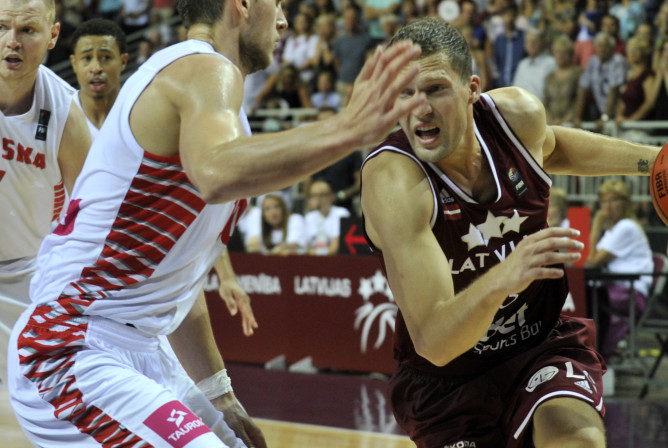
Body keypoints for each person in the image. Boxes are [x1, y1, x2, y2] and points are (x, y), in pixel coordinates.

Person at [8, 0, 425, 446]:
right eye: (278, 3)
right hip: (70, 342)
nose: (283, 19)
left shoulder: (223, 109)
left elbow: (179, 279)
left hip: (139, 346)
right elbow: (215, 173)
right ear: (241, 5)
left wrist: (219, 397)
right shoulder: (202, 67)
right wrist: (347, 128)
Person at [361, 17, 668, 448]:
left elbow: (553, 146)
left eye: (436, 89)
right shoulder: (394, 182)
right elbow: (436, 342)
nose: (419, 109)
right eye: (405, 93)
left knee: (576, 440)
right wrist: (505, 276)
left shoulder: (515, 116)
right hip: (448, 380)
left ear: (472, 89)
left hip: (538, 344)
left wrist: (661, 161)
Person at [70, 17, 258, 335]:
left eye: (105, 57)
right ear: (73, 64)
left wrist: (225, 275)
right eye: (87, 58)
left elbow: (195, 208)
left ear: (123, 62)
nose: (96, 68)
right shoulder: (64, 117)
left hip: (147, 268)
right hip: (83, 279)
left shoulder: (144, 115)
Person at [0, 0, 92, 383]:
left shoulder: (66, 114)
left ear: (53, 36)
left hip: (28, 274)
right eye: (2, 27)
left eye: (28, 31)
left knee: (49, 397)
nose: (11, 41)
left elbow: (93, 214)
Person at [584, 179, 653, 360]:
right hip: (616, 288)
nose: (608, 206)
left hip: (630, 294)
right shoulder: (613, 230)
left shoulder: (626, 227)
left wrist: (596, 224)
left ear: (625, 203)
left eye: (613, 201)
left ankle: (595, 356)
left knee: (588, 299)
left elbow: (592, 261)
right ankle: (590, 354)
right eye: (604, 201)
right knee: (585, 295)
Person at [573, 31, 627, 131]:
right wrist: (577, 117)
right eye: (599, 45)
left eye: (606, 46)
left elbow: (614, 90)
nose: (602, 49)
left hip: (621, 112)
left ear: (612, 48)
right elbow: (583, 89)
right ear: (595, 47)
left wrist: (605, 117)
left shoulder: (618, 60)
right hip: (602, 111)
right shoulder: (593, 61)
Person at [303, 179, 351, 255]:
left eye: (322, 195)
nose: (318, 199)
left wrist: (312, 252)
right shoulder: (309, 217)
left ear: (331, 196)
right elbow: (304, 246)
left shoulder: (341, 213)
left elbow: (336, 248)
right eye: (314, 195)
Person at [543, 35, 582, 125]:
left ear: (571, 54)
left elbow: (579, 100)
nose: (560, 56)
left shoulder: (578, 73)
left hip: (571, 123)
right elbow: (546, 100)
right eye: (557, 52)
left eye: (564, 53)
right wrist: (549, 118)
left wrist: (566, 120)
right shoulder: (550, 76)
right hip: (552, 122)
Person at [511, 29, 557, 100]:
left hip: (543, 108)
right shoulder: (522, 64)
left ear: (542, 43)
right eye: (528, 41)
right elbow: (515, 90)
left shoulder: (551, 63)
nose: (531, 44)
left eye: (535, 41)